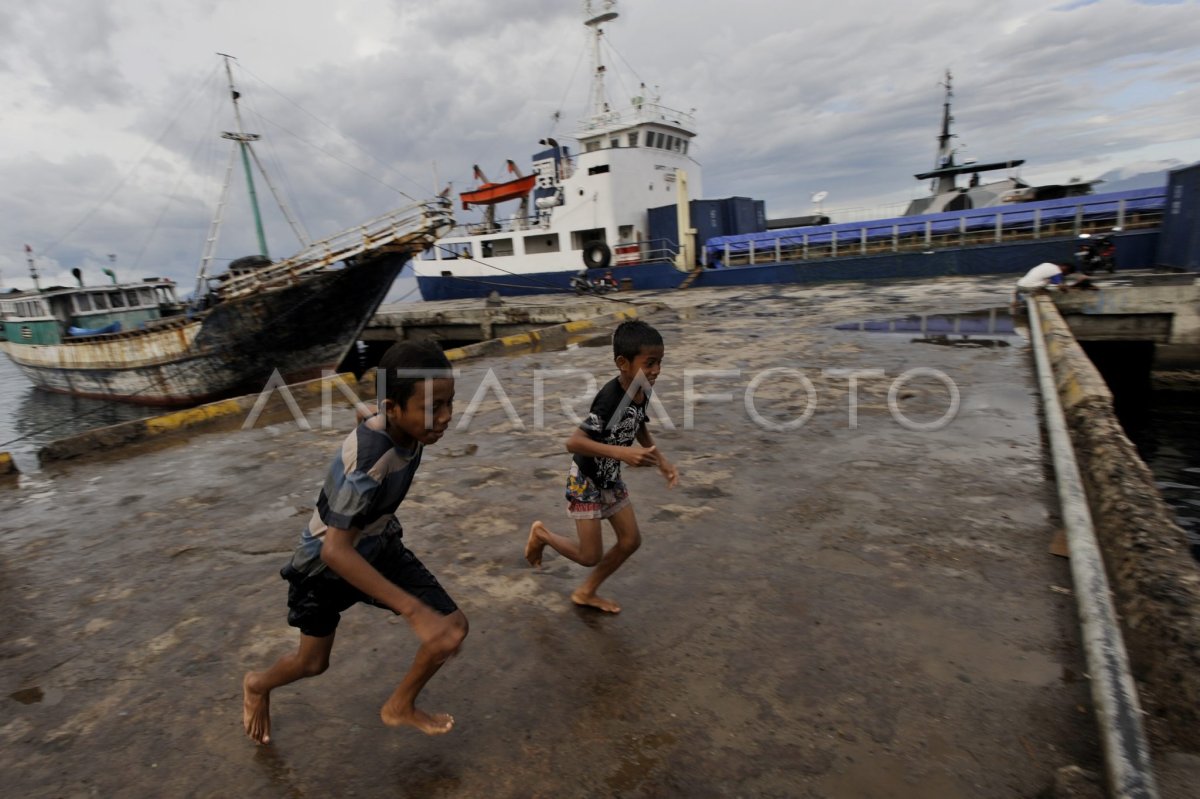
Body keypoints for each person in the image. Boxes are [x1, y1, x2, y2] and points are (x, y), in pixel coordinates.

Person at [243, 341, 468, 745]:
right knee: (312, 663)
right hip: (323, 569)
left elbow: (365, 411)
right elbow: (334, 550)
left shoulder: (399, 421)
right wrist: (413, 611)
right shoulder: (371, 461)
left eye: (450, 403)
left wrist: (367, 414)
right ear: (394, 408)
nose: (446, 417)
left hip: (377, 547)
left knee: (451, 628)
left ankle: (399, 705)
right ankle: (258, 685)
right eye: (434, 407)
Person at [524, 320, 679, 613]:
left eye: (660, 362)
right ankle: (542, 535)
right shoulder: (609, 399)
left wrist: (662, 461)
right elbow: (574, 442)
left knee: (631, 540)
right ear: (623, 363)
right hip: (586, 482)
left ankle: (585, 591)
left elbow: (638, 425)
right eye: (650, 363)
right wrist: (622, 453)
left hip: (610, 479)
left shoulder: (642, 389)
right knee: (588, 555)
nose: (657, 370)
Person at [1010, 261, 1089, 309]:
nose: (1065, 276)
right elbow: (1061, 287)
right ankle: (1036, 293)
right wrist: (1073, 286)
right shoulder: (1057, 272)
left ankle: (1017, 301)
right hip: (1030, 288)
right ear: (1066, 271)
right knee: (1047, 281)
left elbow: (1051, 281)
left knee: (1042, 280)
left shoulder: (1047, 265)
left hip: (1019, 285)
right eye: (1067, 274)